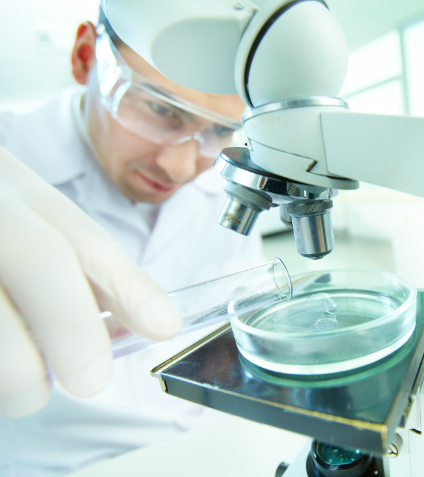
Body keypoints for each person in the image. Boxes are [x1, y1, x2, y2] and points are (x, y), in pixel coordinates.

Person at [0, 11, 264, 476]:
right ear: (86, 57)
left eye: (220, 130)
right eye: (161, 109)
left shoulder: (227, 192)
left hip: (205, 451)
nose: (180, 166)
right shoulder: (11, 161)